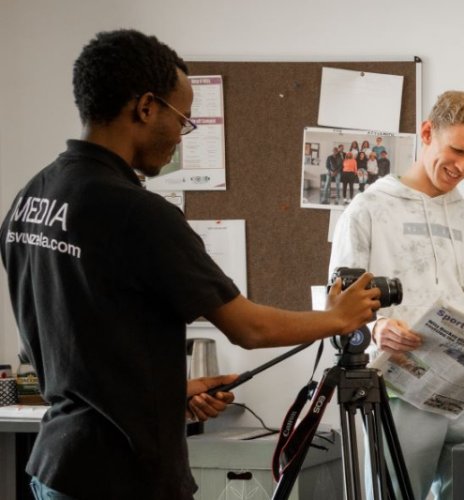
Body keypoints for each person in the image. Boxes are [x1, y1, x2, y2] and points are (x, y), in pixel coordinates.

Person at [1, 29, 381, 500]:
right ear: (145, 107)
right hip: (123, 476)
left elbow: (78, 339)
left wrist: (170, 394)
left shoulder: (31, 197)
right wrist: (335, 319)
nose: (182, 135)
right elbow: (249, 328)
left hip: (57, 465)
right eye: (183, 118)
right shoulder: (137, 212)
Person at [329, 90, 464, 499]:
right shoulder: (367, 211)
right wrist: (379, 327)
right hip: (400, 393)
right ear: (426, 132)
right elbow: (336, 309)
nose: (463, 167)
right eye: (456, 150)